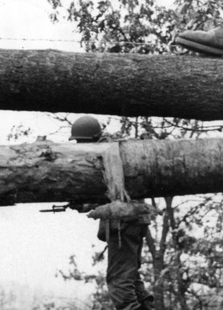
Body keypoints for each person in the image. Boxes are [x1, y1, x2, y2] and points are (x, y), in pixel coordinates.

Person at [69, 115, 154, 310]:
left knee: (119, 282)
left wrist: (86, 203)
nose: (79, 145)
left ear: (90, 138)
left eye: (81, 141)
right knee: (130, 277)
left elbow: (114, 192)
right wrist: (84, 205)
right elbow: (109, 194)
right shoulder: (114, 153)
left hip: (124, 225)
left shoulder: (108, 156)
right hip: (130, 223)